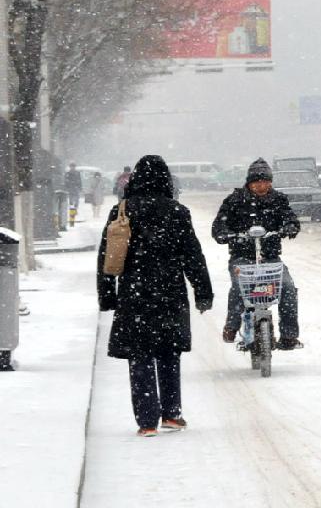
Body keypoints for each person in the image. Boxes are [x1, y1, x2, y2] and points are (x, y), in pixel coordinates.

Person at [97, 155, 213, 437]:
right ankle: (172, 415)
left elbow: (106, 256)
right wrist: (203, 291)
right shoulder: (177, 211)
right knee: (168, 352)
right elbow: (192, 255)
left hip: (134, 293)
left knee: (140, 356)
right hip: (170, 292)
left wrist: (107, 295)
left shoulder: (121, 210)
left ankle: (147, 421)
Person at [212, 157, 302, 350]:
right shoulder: (234, 201)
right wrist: (226, 234)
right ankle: (232, 325)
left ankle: (289, 335)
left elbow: (291, 219)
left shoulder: (279, 200)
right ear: (249, 183)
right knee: (239, 287)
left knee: (287, 287)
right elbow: (219, 225)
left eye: (266, 182)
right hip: (241, 258)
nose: (262, 186)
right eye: (257, 182)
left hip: (270, 259)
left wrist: (289, 227)